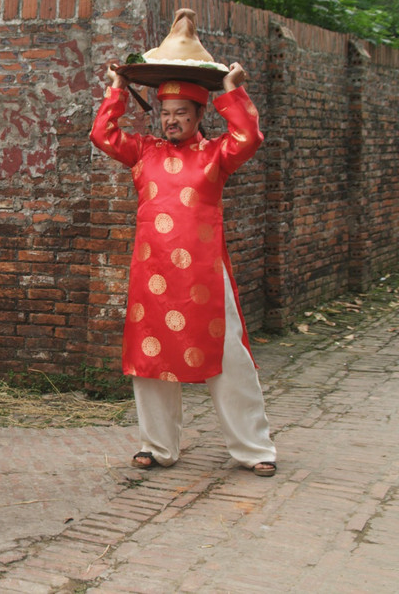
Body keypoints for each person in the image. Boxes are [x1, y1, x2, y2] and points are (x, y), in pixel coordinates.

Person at [90, 62, 277, 478]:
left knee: (230, 359)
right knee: (150, 360)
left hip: (206, 277)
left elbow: (248, 137)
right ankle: (157, 446)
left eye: (181, 113)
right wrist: (116, 89)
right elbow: (102, 134)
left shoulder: (216, 154)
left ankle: (253, 447)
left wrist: (232, 89)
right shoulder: (143, 150)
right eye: (166, 112)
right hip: (151, 275)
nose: (171, 120)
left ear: (198, 116)